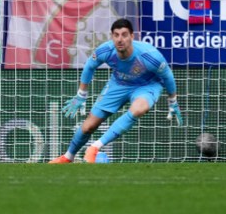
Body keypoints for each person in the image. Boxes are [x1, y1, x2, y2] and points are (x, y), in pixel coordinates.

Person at [49, 18, 181, 164]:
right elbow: (89, 67)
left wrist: (172, 101)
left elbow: (168, 76)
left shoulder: (149, 55)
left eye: (124, 34)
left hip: (147, 85)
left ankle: (94, 147)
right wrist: (81, 95)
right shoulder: (105, 50)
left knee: (138, 109)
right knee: (88, 126)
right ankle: (68, 157)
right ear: (112, 36)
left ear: (132, 36)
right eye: (116, 35)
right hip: (118, 84)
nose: (120, 39)